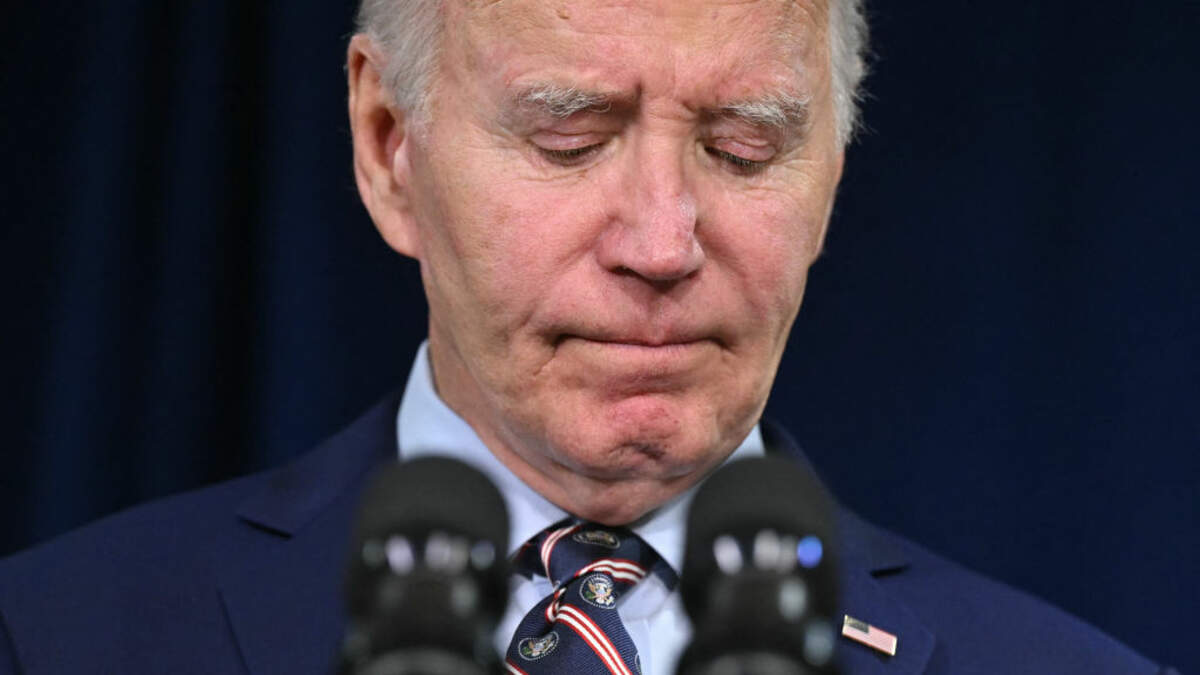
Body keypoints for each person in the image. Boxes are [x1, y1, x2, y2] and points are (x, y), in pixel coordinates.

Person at [0, 1, 1179, 673]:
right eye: (570, 140)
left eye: (743, 148)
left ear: (830, 175)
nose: (661, 243)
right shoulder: (55, 637)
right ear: (388, 145)